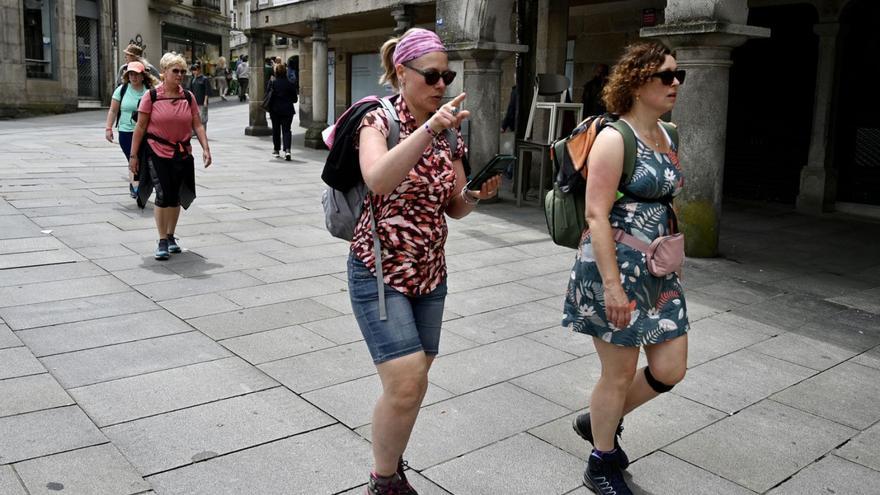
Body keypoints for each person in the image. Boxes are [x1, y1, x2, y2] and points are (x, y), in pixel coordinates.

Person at [349, 28, 501, 495]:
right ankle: (384, 479)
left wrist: (475, 193)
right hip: (380, 270)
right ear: (402, 72)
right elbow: (377, 179)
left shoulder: (448, 130)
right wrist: (428, 129)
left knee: (413, 385)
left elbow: (453, 204)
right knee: (407, 382)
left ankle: (391, 464)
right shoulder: (379, 120)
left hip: (431, 272)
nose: (442, 84)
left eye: (447, 76)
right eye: (432, 75)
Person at [562, 41, 687, 495]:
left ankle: (597, 417)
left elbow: (664, 201)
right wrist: (613, 289)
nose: (675, 83)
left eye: (679, 75)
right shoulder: (616, 139)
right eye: (666, 76)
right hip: (613, 269)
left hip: (658, 271)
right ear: (637, 84)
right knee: (617, 373)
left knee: (670, 368)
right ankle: (601, 461)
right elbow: (597, 215)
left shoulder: (668, 134)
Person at [129, 52, 212, 260]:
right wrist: (133, 156)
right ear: (164, 72)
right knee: (163, 194)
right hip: (157, 151)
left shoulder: (188, 96)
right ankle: (162, 240)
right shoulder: (152, 96)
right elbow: (140, 127)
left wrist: (205, 148)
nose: (180, 75)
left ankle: (171, 235)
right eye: (175, 71)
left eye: (182, 71)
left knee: (175, 196)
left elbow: (197, 124)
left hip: (182, 153)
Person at [104, 61, 157, 198]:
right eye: (131, 74)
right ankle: (135, 186)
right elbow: (113, 110)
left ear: (143, 76)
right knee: (132, 159)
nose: (133, 77)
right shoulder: (122, 90)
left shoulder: (149, 91)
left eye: (136, 74)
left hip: (145, 133)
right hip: (126, 132)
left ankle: (136, 184)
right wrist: (108, 128)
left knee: (142, 160)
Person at [266, 63, 297, 160]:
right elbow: (295, 99)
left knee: (276, 130)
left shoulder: (273, 83)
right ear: (285, 72)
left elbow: (267, 94)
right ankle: (287, 150)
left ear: (276, 72)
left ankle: (276, 150)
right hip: (288, 110)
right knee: (287, 130)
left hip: (275, 110)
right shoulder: (290, 83)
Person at [187, 63, 210, 130]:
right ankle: (195, 131)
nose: (194, 72)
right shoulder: (193, 79)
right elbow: (190, 90)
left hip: (202, 101)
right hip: (194, 101)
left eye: (195, 70)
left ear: (199, 70)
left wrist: (205, 101)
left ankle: (203, 130)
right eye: (193, 70)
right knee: (194, 116)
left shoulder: (204, 79)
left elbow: (207, 91)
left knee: (203, 117)